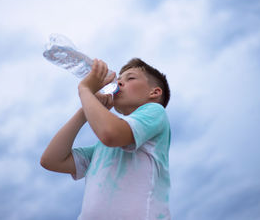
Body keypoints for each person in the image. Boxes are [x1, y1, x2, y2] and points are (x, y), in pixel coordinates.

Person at [40, 58, 171, 219]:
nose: (119, 83)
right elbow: (51, 160)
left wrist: (85, 90)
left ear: (154, 92)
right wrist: (84, 112)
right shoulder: (100, 149)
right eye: (119, 79)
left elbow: (110, 134)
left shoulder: (155, 111)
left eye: (130, 78)